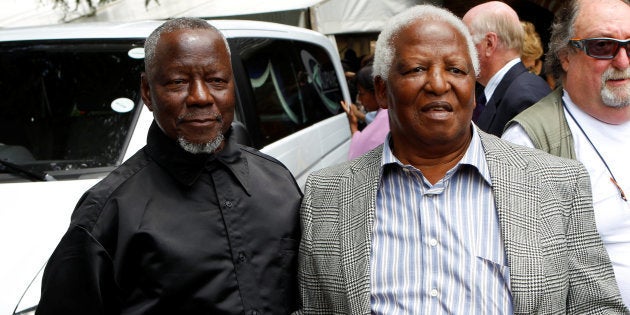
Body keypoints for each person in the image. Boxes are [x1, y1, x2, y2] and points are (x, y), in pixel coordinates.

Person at [297, 4, 628, 314]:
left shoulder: (557, 183)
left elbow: (596, 306)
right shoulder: (326, 196)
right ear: (382, 91)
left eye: (456, 69)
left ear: (474, 87)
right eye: (416, 69)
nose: (439, 84)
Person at [36, 18, 302, 314]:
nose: (200, 97)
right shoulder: (108, 212)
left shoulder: (279, 182)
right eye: (178, 82)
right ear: (148, 92)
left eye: (217, 81)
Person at [503, 0, 630, 306]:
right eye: (603, 46)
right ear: (565, 56)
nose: (623, 60)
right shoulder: (529, 141)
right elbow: (525, 277)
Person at [463, 1, 551, 136]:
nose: (459, 51)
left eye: (465, 42)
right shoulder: (492, 91)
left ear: (489, 44)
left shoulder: (524, 99)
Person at [341, 65, 389, 160]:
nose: (359, 99)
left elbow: (357, 159)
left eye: (361, 93)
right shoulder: (392, 112)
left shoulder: (385, 119)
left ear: (378, 91)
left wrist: (353, 126)